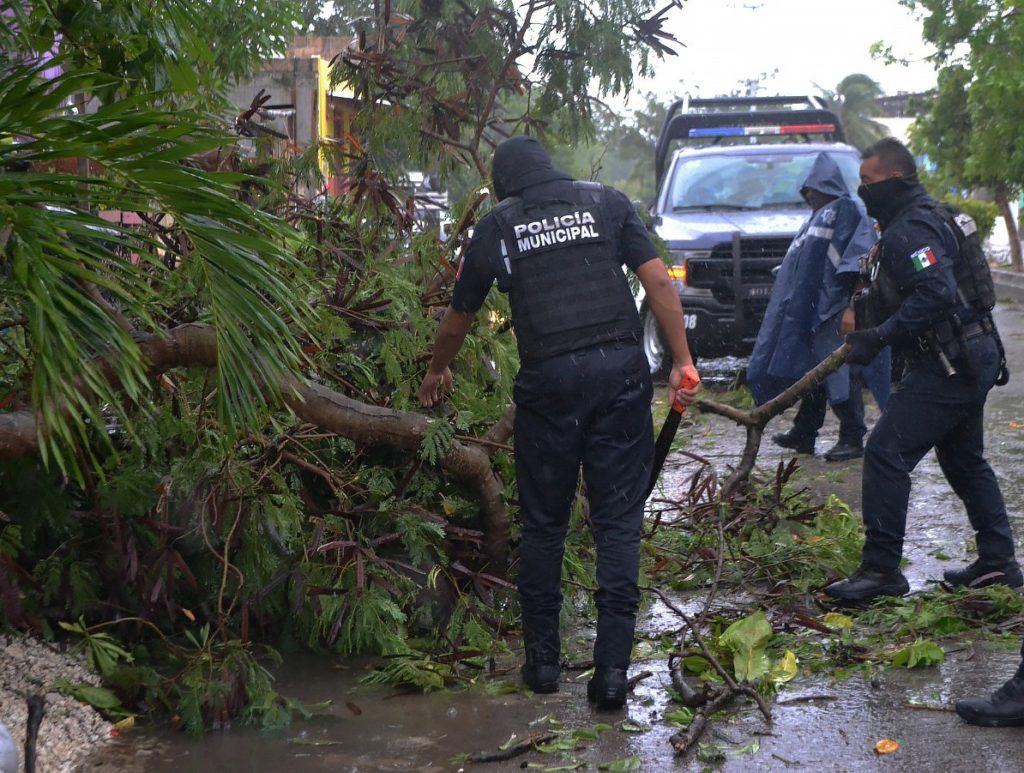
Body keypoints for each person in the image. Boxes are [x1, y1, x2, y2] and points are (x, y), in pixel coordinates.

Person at [418, 136, 700, 710]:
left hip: (548, 387)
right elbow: (661, 284)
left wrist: (435, 373)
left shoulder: (500, 226)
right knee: (618, 524)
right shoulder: (608, 203)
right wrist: (682, 360)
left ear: (506, 184)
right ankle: (612, 675)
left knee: (545, 526)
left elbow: (458, 317)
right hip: (620, 378)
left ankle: (543, 666)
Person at [825, 137, 1019, 601]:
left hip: (952, 361)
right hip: (972, 354)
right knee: (963, 458)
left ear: (894, 180)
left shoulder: (911, 228)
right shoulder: (934, 213)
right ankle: (998, 561)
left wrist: (881, 335)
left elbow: (936, 293)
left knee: (886, 452)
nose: (863, 191)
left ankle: (881, 571)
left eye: (868, 182)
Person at [747, 152, 889, 461]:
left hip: (835, 312)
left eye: (813, 187)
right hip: (814, 310)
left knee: (840, 374)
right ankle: (804, 432)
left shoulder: (847, 211)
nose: (808, 193)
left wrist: (852, 308)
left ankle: (852, 437)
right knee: (813, 373)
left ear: (827, 186)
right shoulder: (818, 217)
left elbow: (858, 262)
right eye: (806, 189)